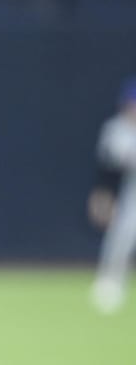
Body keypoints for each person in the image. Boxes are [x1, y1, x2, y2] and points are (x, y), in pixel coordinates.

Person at [89, 77, 136, 315]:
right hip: (129, 194)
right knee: (121, 238)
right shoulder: (116, 129)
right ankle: (109, 283)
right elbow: (108, 170)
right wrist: (103, 197)